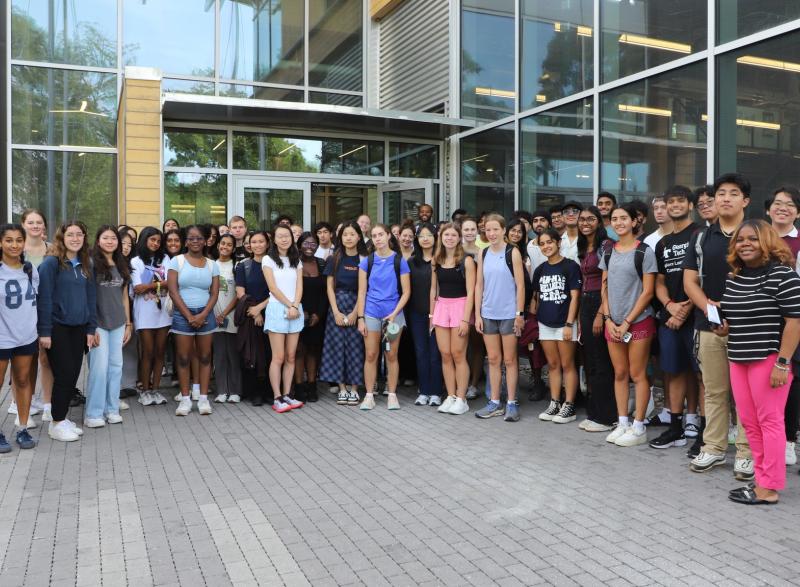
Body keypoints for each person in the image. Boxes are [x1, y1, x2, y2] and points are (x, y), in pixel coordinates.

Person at [718, 220, 800, 505]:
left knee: (770, 422)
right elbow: (736, 318)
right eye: (740, 240)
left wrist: (782, 363)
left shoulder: (783, 275)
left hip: (768, 359)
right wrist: (724, 327)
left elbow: (795, 322)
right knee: (750, 423)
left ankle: (769, 488)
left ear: (767, 241)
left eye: (752, 239)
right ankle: (763, 478)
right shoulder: (735, 277)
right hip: (738, 358)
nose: (745, 244)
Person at [684, 173, 753, 479]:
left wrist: (735, 309)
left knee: (747, 394)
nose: (725, 198)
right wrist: (711, 310)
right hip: (709, 326)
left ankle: (747, 453)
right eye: (721, 193)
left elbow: (767, 279)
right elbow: (690, 281)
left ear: (745, 201)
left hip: (749, 327)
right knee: (714, 392)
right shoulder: (701, 237)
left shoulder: (756, 234)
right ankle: (713, 447)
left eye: (733, 193)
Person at [600, 204, 658, 447]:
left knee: (637, 373)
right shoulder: (608, 251)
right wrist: (608, 318)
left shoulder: (644, 251)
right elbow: (604, 287)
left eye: (624, 218)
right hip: (613, 323)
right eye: (614, 218)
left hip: (638, 321)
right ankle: (622, 422)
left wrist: (626, 322)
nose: (619, 222)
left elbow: (648, 292)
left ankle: (638, 425)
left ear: (634, 222)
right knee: (620, 373)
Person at [649, 186, 702, 449]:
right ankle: (676, 427)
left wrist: (684, 310)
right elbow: (659, 282)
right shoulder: (662, 243)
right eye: (671, 202)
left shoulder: (700, 235)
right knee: (674, 370)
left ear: (690, 205)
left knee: (701, 374)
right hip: (669, 317)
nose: (675, 205)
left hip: (697, 317)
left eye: (681, 201)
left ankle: (702, 432)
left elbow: (704, 279)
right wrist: (669, 305)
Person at [38, 221, 97, 443]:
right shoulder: (51, 264)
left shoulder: (86, 263)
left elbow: (91, 298)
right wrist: (44, 332)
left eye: (79, 234)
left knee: (72, 374)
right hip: (57, 327)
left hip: (79, 327)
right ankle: (56, 423)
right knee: (64, 375)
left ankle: (61, 419)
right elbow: (44, 299)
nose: (75, 238)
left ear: (84, 237)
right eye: (70, 234)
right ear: (61, 238)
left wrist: (91, 328)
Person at [474, 214, 525, 422]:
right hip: (488, 313)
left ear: (504, 230)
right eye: (488, 230)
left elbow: (520, 285)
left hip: (508, 314)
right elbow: (479, 285)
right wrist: (477, 314)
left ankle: (511, 403)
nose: (492, 233)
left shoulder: (513, 252)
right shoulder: (483, 252)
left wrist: (519, 314)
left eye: (495, 229)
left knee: (510, 360)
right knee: (493, 360)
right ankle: (494, 402)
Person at [357, 224, 411, 411]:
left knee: (391, 354)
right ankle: (369, 395)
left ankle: (392, 395)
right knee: (371, 354)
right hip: (371, 313)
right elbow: (361, 292)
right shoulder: (367, 261)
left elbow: (406, 292)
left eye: (381, 234)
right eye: (374, 235)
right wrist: (360, 318)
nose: (378, 238)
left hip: (393, 316)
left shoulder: (399, 261)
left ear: (388, 236)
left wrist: (394, 314)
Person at [168, 224, 220, 417]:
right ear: (186, 241)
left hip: (206, 314)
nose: (195, 241)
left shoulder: (212, 264)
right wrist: (190, 316)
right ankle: (185, 399)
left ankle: (203, 399)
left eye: (199, 238)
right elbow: (173, 291)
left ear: (206, 241)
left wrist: (203, 315)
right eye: (191, 238)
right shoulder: (177, 261)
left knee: (205, 357)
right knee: (183, 358)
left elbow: (214, 293)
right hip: (183, 315)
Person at [766, 186, 800, 465]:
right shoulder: (757, 238)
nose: (782, 208)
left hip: (793, 320)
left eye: (789, 204)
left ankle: (788, 440)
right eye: (778, 203)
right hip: (761, 321)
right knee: (762, 379)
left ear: (797, 213)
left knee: (791, 379)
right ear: (768, 209)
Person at [84, 225, 132, 428]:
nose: (110, 241)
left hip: (118, 323)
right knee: (99, 369)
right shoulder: (91, 263)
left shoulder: (121, 263)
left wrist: (128, 323)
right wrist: (90, 327)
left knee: (115, 368)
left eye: (113, 238)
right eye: (106, 238)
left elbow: (124, 296)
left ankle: (111, 409)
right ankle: (93, 413)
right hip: (98, 324)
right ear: (98, 240)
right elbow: (86, 295)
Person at [533, 229, 582, 424]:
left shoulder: (570, 266)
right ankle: (555, 402)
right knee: (552, 365)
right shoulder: (540, 269)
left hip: (565, 323)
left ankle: (569, 405)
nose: (546, 246)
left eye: (549, 242)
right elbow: (536, 298)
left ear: (558, 242)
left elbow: (575, 297)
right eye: (542, 244)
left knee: (567, 364)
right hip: (545, 323)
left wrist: (570, 323)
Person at [0, 224, 39, 451]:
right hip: (2, 337)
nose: (14, 245)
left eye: (18, 240)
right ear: (1, 243)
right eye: (9, 240)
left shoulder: (30, 270)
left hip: (26, 336)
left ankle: (23, 428)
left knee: (23, 381)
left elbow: (38, 301)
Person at [576, 206, 616, 432]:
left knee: (602, 362)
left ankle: (607, 417)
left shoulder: (606, 245)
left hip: (600, 302)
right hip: (585, 302)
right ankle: (595, 413)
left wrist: (601, 313)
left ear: (599, 222)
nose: (585, 223)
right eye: (582, 219)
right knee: (590, 360)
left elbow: (610, 281)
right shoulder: (584, 246)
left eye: (590, 219)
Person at [320, 222, 367, 406]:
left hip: (358, 305)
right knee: (337, 347)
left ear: (359, 237)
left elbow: (364, 289)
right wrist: (336, 312)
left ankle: (354, 389)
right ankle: (342, 388)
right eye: (345, 234)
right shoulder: (334, 258)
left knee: (356, 348)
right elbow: (329, 288)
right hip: (337, 305)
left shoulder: (365, 259)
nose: (349, 238)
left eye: (352, 234)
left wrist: (356, 313)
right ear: (341, 237)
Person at [430, 223, 475, 415]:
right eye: (446, 235)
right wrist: (431, 315)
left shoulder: (467, 261)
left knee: (458, 354)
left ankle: (461, 398)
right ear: (441, 237)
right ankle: (450, 396)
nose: (449, 238)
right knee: (445, 354)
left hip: (460, 308)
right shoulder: (436, 260)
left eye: (453, 235)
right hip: (441, 308)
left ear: (459, 238)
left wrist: (465, 319)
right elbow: (434, 289)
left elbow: (472, 292)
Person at [262, 224, 305, 413]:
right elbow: (273, 288)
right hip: (277, 309)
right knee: (278, 357)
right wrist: (290, 305)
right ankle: (277, 397)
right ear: (274, 239)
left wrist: (295, 306)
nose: (284, 239)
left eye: (287, 236)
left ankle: (287, 394)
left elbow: (300, 286)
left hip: (296, 309)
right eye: (280, 236)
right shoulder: (268, 259)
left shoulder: (297, 260)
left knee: (291, 356)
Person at [130, 227, 171, 406]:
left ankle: (155, 390)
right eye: (152, 240)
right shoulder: (136, 261)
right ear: (144, 239)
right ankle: (145, 390)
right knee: (147, 351)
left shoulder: (165, 259)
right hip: (144, 312)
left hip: (163, 313)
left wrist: (150, 286)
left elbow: (172, 282)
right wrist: (161, 284)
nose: (155, 243)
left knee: (160, 351)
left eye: (158, 241)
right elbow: (137, 288)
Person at [407, 223, 443, 406]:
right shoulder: (411, 262)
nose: (425, 239)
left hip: (439, 313)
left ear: (435, 238)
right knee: (421, 353)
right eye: (421, 236)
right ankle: (424, 391)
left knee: (435, 354)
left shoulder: (441, 259)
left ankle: (436, 392)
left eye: (429, 235)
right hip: (416, 313)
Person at [234, 231, 271, 405]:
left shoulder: (274, 264)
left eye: (261, 241)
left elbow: (278, 291)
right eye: (253, 242)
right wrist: (254, 311)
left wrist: (260, 309)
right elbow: (240, 292)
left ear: (267, 243)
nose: (257, 245)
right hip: (250, 314)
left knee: (270, 354)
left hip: (272, 313)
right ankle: (254, 392)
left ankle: (269, 391)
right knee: (253, 355)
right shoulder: (244, 266)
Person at [294, 232, 328, 402]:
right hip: (297, 313)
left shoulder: (321, 264)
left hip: (317, 314)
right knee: (299, 351)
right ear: (299, 245)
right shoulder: (293, 263)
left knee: (313, 351)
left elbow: (326, 292)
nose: (310, 247)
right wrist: (301, 311)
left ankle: (312, 385)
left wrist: (318, 314)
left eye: (313, 244)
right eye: (306, 243)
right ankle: (299, 387)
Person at [212, 235, 241, 403]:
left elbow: (238, 293)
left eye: (229, 245)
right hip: (213, 315)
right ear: (218, 245)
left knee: (233, 354)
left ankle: (235, 391)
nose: (225, 247)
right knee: (219, 354)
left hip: (231, 315)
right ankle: (222, 390)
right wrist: (215, 313)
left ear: (233, 248)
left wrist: (224, 313)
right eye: (223, 243)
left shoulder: (236, 266)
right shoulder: (210, 265)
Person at [460, 217, 483, 398]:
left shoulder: (482, 252)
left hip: (476, 302)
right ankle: (460, 382)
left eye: (472, 229)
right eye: (466, 229)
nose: (469, 232)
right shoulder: (455, 250)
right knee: (460, 346)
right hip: (456, 301)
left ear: (477, 231)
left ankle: (474, 384)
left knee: (476, 346)